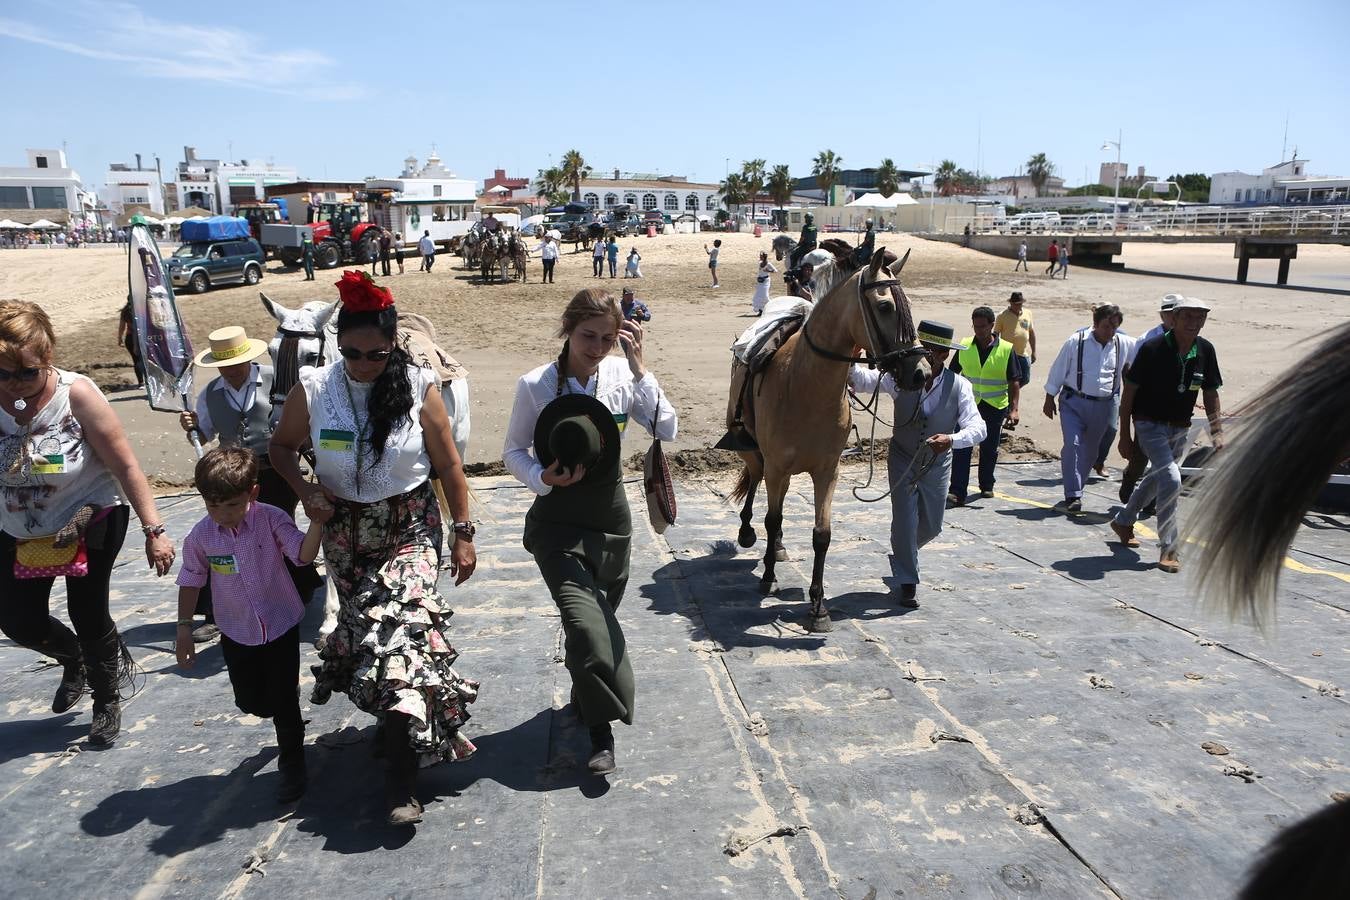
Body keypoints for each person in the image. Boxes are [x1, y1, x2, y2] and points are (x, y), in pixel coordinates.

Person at [269, 271, 478, 826]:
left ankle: (401, 785)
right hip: (344, 536)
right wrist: (308, 490)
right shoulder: (313, 390)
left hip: (409, 527)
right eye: (353, 353)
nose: (364, 364)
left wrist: (463, 531)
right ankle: (394, 729)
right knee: (372, 642)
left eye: (376, 354)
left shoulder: (419, 387)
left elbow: (450, 465)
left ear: (393, 346)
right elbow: (282, 449)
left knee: (402, 637)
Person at [503, 288, 677, 774]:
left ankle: (585, 697)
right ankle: (602, 733)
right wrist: (542, 478)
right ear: (567, 329)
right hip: (557, 526)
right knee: (587, 626)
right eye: (587, 336)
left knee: (594, 630)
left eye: (607, 337)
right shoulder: (536, 385)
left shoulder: (623, 377)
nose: (597, 347)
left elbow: (667, 427)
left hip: (612, 525)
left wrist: (641, 368)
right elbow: (513, 452)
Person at [0, 300, 176, 746]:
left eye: (27, 372)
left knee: (86, 608)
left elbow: (127, 467)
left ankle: (106, 698)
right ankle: (73, 657)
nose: (14, 384)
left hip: (89, 515)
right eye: (3, 374)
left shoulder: (75, 395)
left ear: (48, 357)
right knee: (18, 619)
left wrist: (154, 530)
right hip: (21, 527)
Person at [175, 446, 330, 803]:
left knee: (283, 700)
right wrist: (184, 629)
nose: (222, 515)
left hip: (280, 623)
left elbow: (302, 556)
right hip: (235, 630)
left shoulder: (272, 518)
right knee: (251, 701)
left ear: (253, 494)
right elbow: (191, 579)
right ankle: (279, 709)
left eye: (231, 505)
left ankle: (293, 764)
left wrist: (318, 523)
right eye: (213, 506)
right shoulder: (201, 536)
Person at [179, 325, 323, 637]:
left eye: (235, 363)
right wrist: (191, 425)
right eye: (223, 365)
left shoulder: (278, 379)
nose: (230, 370)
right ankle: (218, 609)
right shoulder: (210, 394)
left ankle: (296, 585)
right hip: (233, 473)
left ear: (247, 358)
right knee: (225, 534)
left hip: (277, 466)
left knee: (272, 526)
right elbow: (204, 434)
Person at [848, 321, 984, 607]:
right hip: (903, 458)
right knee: (905, 521)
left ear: (945, 355)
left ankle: (903, 552)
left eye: (935, 350)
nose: (928, 354)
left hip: (937, 463)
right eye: (924, 348)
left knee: (932, 526)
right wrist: (852, 355)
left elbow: (978, 428)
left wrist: (952, 439)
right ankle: (908, 581)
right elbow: (861, 381)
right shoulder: (900, 378)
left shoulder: (959, 386)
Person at [1110, 297, 1222, 573]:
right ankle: (1169, 548)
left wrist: (1216, 432)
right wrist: (1124, 434)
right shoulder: (1153, 348)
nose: (1194, 324)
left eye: (1200, 318)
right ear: (1173, 318)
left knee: (1158, 476)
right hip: (1149, 424)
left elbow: (1210, 392)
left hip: (1180, 427)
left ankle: (1124, 520)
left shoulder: (1205, 350)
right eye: (1188, 318)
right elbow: (1130, 392)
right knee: (1171, 479)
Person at [1042, 304, 1133, 512]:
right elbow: (1058, 369)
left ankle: (1078, 488)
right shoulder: (1076, 342)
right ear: (1095, 324)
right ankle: (1072, 494)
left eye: (1114, 327)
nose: (1109, 332)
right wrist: (1049, 397)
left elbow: (1147, 349)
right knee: (1072, 445)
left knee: (1090, 452)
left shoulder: (1123, 343)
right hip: (1073, 402)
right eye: (1105, 326)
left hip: (1103, 405)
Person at [949, 306, 1020, 505]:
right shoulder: (964, 346)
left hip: (994, 407)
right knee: (962, 447)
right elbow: (953, 373)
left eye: (982, 326)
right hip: (967, 407)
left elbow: (1014, 380)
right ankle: (957, 491)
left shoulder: (1006, 349)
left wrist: (1014, 409)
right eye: (975, 326)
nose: (978, 330)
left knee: (989, 448)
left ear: (991, 325)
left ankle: (986, 485)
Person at [1117, 294, 1182, 499]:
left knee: (1165, 458)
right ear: (1162, 315)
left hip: (1176, 409)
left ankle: (1151, 497)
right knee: (1141, 456)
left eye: (1176, 314)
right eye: (1169, 314)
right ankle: (1130, 479)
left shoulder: (1189, 340)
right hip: (1148, 408)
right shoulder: (1147, 340)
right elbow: (1130, 373)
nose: (1173, 318)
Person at [994, 291, 1036, 389]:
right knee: (1010, 378)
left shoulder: (1028, 313)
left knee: (1025, 378)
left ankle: (1012, 392)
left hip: (1023, 353)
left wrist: (1034, 351)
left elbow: (1031, 332)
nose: (1019, 306)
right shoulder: (1002, 316)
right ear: (1011, 303)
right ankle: (1011, 394)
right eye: (1017, 304)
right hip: (1008, 354)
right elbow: (996, 334)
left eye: (1021, 304)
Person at [116, 299, 145, 388]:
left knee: (136, 360)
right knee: (146, 360)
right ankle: (149, 380)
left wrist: (120, 338)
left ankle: (141, 382)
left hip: (130, 338)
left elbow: (122, 326)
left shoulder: (125, 311)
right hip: (143, 337)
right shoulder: (142, 308)